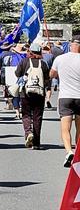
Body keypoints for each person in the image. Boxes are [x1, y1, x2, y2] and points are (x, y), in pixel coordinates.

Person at [50, 35, 80, 167]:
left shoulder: (60, 59)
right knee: (79, 128)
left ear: (71, 44)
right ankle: (78, 153)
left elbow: (52, 74)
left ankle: (69, 151)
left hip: (65, 96)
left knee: (65, 128)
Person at [14, 43, 50, 150]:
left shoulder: (24, 62)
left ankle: (28, 132)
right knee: (37, 117)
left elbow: (17, 73)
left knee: (26, 114)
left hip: (26, 93)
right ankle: (37, 143)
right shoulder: (43, 64)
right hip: (39, 93)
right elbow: (47, 79)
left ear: (30, 52)